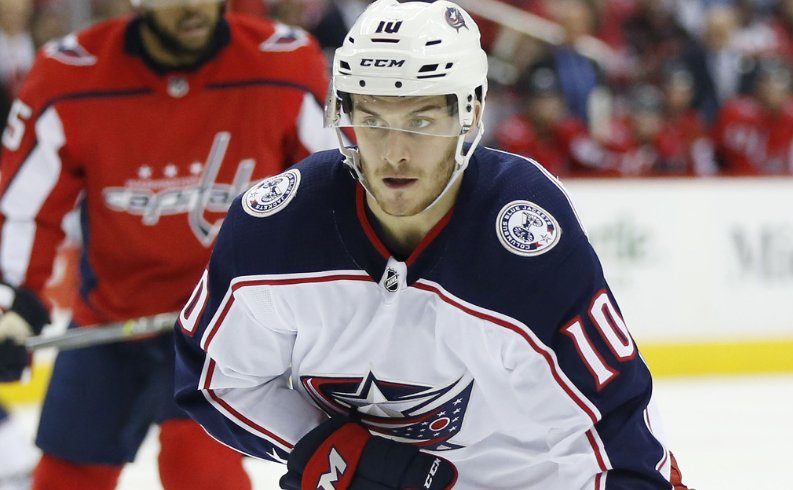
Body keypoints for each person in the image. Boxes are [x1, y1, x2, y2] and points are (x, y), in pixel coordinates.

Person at [173, 1, 690, 488]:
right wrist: (335, 451)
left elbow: (615, 437)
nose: (395, 153)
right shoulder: (277, 228)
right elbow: (214, 379)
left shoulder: (524, 240)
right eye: (373, 119)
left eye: (422, 120)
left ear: (470, 111)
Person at [0, 0, 337, 488]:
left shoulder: (284, 63)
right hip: (111, 314)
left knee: (199, 469)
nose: (195, 7)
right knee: (65, 475)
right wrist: (17, 304)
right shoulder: (69, 74)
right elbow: (27, 207)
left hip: (223, 326)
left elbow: (332, 188)